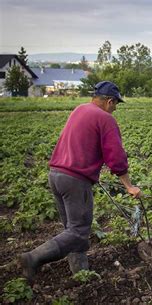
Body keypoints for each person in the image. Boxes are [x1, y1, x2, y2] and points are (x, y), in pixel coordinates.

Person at [19, 81, 142, 282]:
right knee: (78, 232)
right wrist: (129, 186)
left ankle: (81, 275)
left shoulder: (80, 110)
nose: (116, 108)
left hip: (56, 175)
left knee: (72, 230)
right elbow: (116, 157)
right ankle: (33, 258)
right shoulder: (105, 119)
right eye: (116, 104)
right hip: (75, 181)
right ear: (109, 101)